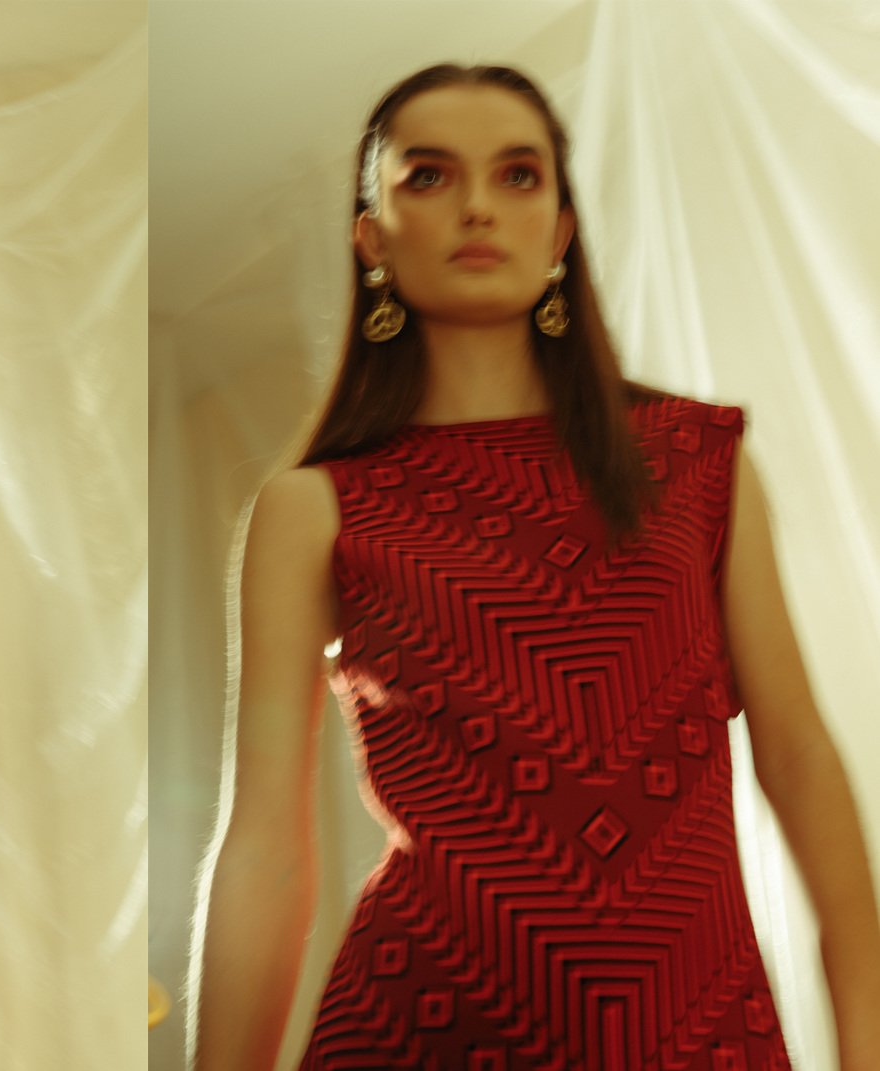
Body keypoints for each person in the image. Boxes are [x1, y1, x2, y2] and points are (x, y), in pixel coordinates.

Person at [189, 64, 880, 1069]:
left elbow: (800, 758)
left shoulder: (695, 463)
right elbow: (262, 844)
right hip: (417, 1026)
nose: (477, 205)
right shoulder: (313, 507)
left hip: (692, 1030)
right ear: (371, 238)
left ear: (559, 234)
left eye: (518, 176)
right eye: (428, 176)